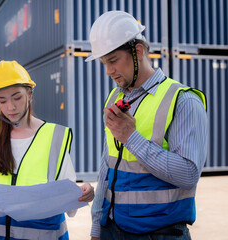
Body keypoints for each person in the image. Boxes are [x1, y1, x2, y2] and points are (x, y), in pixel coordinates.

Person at [85, 11, 208, 239]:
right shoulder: (114, 98)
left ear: (138, 52)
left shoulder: (183, 100)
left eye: (113, 61)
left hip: (161, 233)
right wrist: (96, 226)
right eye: (104, 63)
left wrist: (131, 138)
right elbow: (106, 167)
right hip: (111, 229)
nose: (108, 71)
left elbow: (189, 174)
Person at [0, 60, 94, 240]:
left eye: (17, 97)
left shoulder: (56, 136)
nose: (10, 107)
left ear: (29, 94)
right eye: (2, 100)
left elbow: (69, 204)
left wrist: (85, 193)